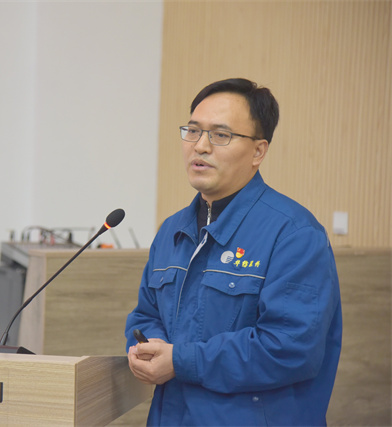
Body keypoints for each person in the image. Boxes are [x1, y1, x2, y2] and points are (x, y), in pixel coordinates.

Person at [125, 78, 342, 426]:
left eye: (220, 135)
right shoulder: (172, 230)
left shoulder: (294, 233)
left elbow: (290, 348)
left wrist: (181, 360)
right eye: (193, 131)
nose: (200, 146)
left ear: (258, 151)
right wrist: (148, 346)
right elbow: (146, 315)